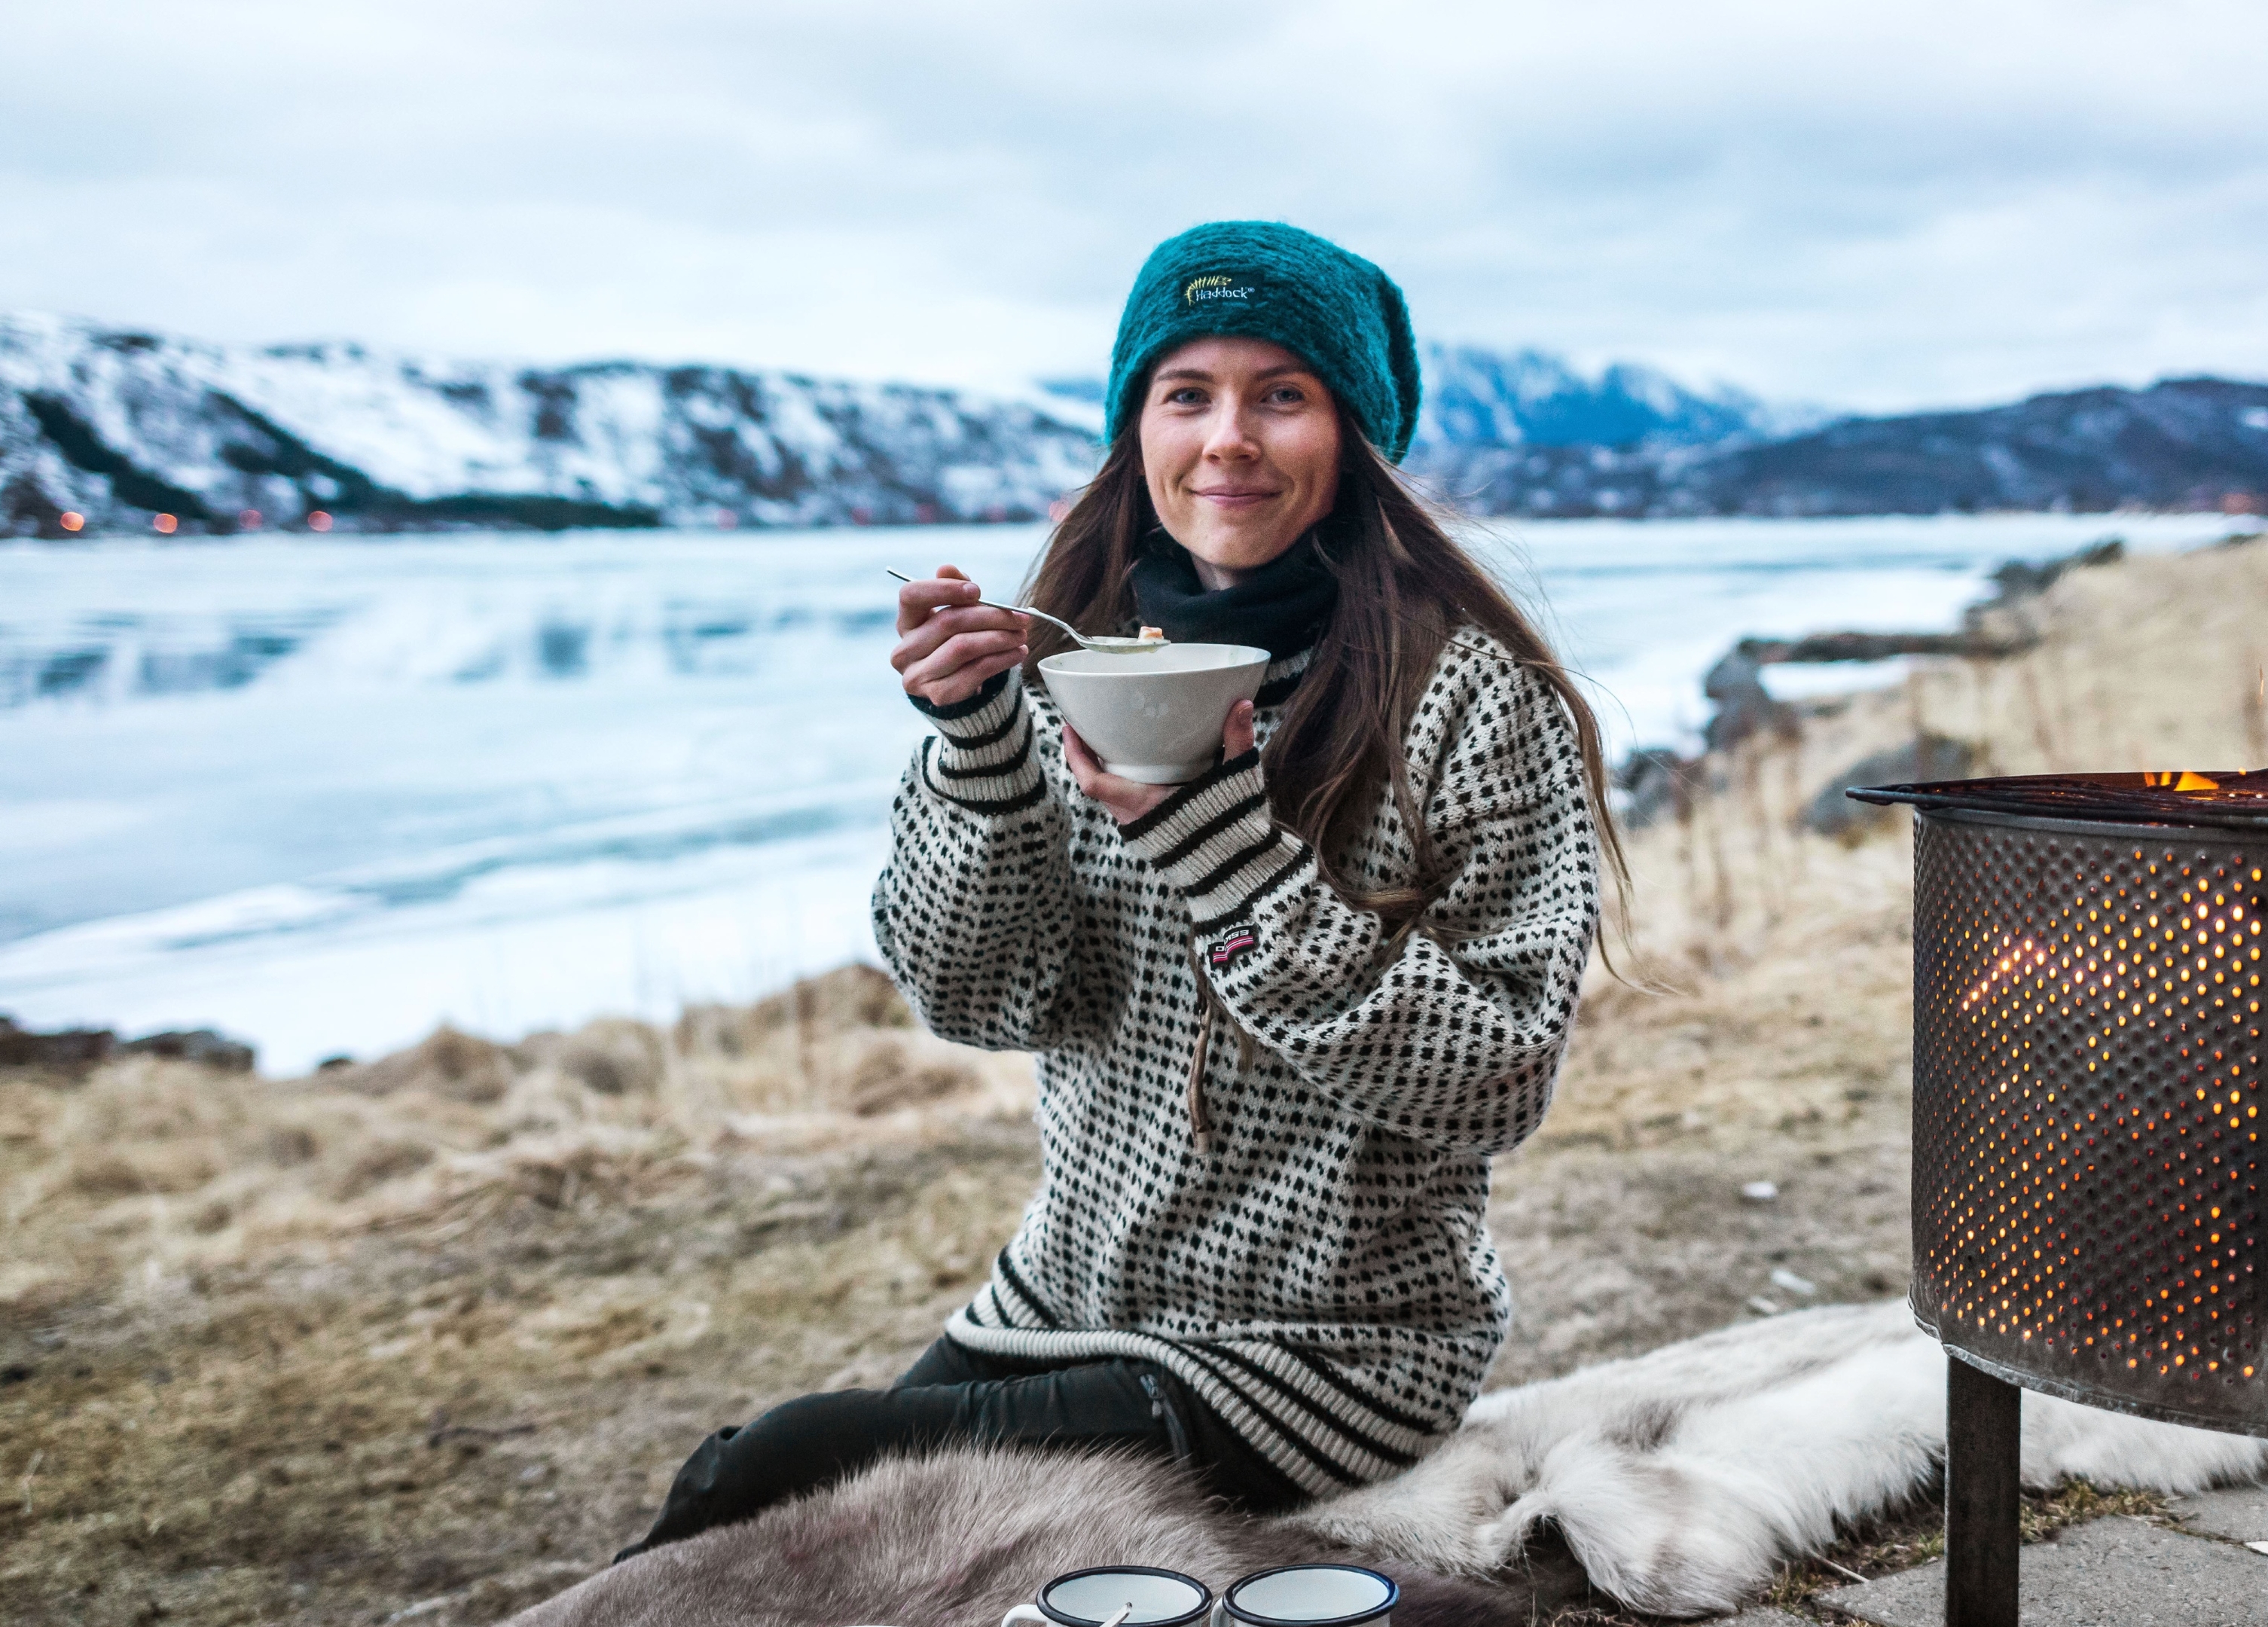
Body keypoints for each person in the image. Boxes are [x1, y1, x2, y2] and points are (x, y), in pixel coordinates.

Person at [618, 220, 1626, 1558]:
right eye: (1186, 393)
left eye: (1283, 394)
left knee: (780, 1470)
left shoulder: (1473, 700)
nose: (1228, 439)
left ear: (1355, 438)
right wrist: (978, 744)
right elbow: (978, 998)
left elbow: (1495, 1077)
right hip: (1059, 1301)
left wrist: (1225, 845)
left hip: (1325, 1354)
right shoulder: (1069, 666)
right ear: (1134, 429)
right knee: (741, 1516)